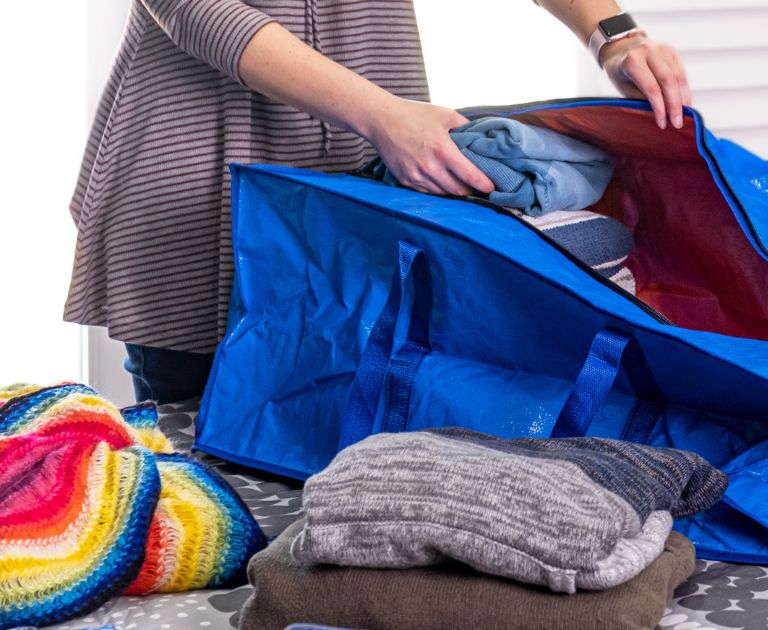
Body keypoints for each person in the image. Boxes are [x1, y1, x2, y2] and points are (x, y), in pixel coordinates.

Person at [66, 0, 691, 404]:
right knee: (213, 474)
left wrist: (612, 35)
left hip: (373, 166)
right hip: (199, 181)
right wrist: (383, 118)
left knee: (371, 441)